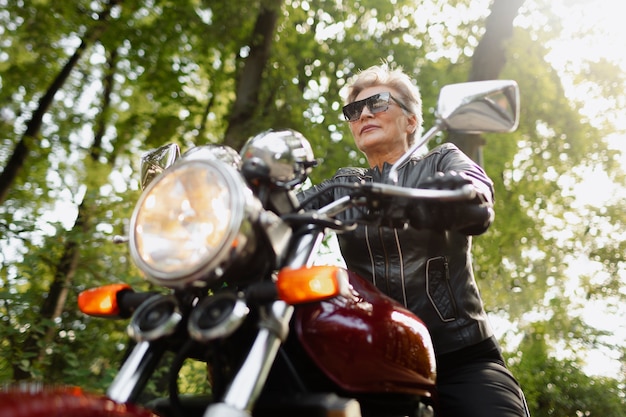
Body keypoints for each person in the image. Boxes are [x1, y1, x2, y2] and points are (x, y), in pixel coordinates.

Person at [297, 64, 530, 417]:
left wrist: (448, 195)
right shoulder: (344, 185)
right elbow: (287, 208)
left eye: (376, 103)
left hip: (461, 357)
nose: (364, 114)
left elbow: (475, 190)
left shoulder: (442, 161)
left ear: (410, 120)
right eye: (353, 111)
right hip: (379, 360)